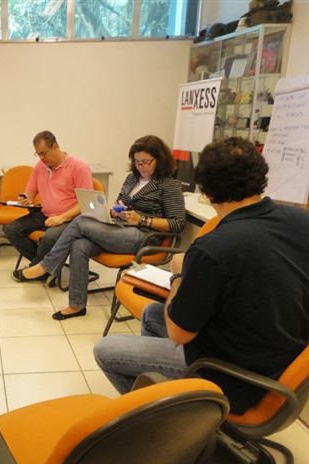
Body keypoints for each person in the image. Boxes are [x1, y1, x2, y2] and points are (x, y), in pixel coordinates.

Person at [94, 137, 309, 414]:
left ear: (206, 190)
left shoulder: (214, 248)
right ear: (260, 175)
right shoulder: (300, 221)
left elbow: (178, 333)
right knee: (151, 314)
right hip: (285, 355)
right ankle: (165, 396)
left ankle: (170, 421)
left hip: (236, 374)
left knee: (106, 350)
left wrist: (178, 276)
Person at [13, 135, 185, 320]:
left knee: (80, 221)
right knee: (79, 244)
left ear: (159, 159)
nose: (141, 166)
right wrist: (115, 211)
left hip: (145, 236)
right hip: (121, 228)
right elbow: (120, 203)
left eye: (145, 162)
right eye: (137, 162)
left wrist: (142, 219)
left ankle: (46, 266)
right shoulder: (131, 179)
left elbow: (177, 223)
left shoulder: (168, 184)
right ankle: (77, 305)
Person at [4, 131, 93, 266]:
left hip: (70, 219)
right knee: (11, 230)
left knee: (48, 238)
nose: (41, 158)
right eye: (38, 154)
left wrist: (61, 218)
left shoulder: (78, 167)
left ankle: (38, 268)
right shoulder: (40, 166)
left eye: (43, 153)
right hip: (45, 215)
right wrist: (26, 197)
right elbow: (30, 191)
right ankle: (44, 266)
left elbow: (87, 203)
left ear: (55, 146)